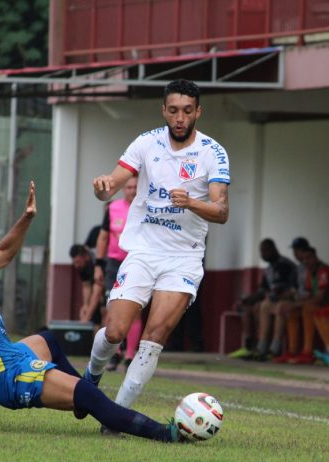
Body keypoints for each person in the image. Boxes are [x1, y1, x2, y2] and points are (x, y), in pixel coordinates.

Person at [0, 152, 181, 442]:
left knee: (47, 340)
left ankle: (86, 397)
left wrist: (27, 218)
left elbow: (6, 252)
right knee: (87, 395)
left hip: (11, 355)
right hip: (3, 375)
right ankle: (166, 434)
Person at [83, 79, 230, 412]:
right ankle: (90, 379)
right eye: (174, 110)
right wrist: (102, 187)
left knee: (153, 338)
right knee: (115, 331)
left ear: (198, 112)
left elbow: (221, 211)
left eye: (187, 111)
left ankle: (115, 415)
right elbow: (111, 185)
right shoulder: (146, 143)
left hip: (184, 258)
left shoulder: (213, 152)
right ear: (164, 110)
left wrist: (193, 203)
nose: (180, 118)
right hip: (144, 252)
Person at [93, 177, 142, 371]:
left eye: (135, 187)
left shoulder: (146, 208)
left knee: (135, 309)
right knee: (112, 307)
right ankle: (116, 353)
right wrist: (98, 264)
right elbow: (103, 237)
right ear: (123, 190)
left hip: (137, 262)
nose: (132, 191)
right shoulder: (112, 208)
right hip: (114, 263)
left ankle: (131, 355)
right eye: (128, 187)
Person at [277, 246, 329, 364]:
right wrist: (291, 304)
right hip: (319, 305)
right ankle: (292, 351)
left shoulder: (324, 270)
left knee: (308, 308)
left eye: (308, 258)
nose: (306, 262)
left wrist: (296, 304)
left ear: (315, 257)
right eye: (304, 259)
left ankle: (307, 351)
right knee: (291, 310)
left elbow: (318, 299)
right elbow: (308, 295)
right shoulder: (309, 273)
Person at [247, 239, 298, 360]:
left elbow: (291, 289)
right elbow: (263, 290)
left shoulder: (285, 264)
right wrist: (248, 299)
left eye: (265, 251)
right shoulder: (269, 269)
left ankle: (275, 348)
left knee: (280, 307)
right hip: (274, 301)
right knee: (263, 305)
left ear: (273, 249)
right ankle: (262, 346)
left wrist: (278, 296)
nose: (263, 254)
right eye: (261, 251)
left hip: (289, 300)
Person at [69, 244, 103, 331]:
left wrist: (87, 316)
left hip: (110, 285)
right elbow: (86, 286)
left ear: (86, 257)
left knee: (103, 310)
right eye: (74, 262)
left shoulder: (98, 261)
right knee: (91, 312)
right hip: (98, 287)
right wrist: (85, 305)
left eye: (78, 262)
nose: (76, 266)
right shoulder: (81, 266)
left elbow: (98, 291)